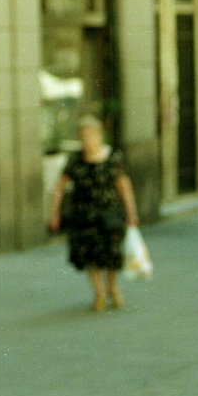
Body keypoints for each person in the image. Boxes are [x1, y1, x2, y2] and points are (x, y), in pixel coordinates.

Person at [48, 114, 139, 311]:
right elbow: (59, 186)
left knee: (111, 253)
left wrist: (131, 211)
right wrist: (54, 212)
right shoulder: (75, 160)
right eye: (82, 136)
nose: (86, 140)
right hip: (83, 216)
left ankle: (112, 287)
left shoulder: (113, 157)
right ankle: (99, 294)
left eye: (89, 135)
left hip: (110, 214)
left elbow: (124, 185)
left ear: (99, 136)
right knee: (88, 256)